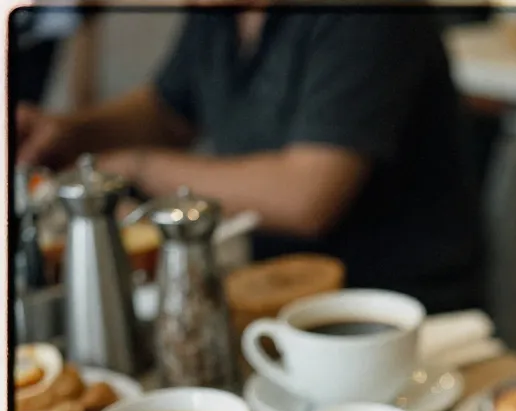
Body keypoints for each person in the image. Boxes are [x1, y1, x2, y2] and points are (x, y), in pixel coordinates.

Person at [16, 6, 482, 313]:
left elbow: (306, 196)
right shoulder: (217, 13)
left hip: (397, 312)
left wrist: (136, 166)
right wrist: (70, 132)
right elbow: (168, 111)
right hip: (270, 299)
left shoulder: (369, 17)